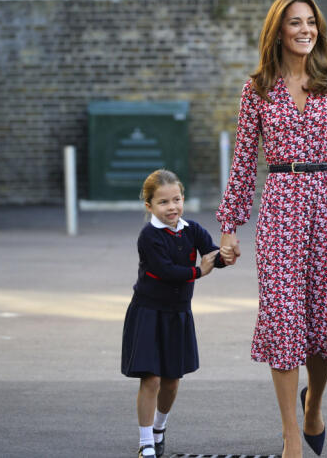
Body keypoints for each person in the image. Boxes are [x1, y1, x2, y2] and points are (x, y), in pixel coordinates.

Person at [215, 0, 327, 458]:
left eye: (311, 23)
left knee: (324, 325)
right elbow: (244, 163)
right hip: (280, 206)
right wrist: (230, 224)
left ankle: (314, 405)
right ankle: (290, 441)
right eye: (295, 23)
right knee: (285, 323)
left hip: (324, 206)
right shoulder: (258, 88)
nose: (305, 30)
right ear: (278, 32)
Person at [121, 169, 226, 458]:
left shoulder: (192, 229)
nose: (172, 207)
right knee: (151, 378)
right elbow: (165, 271)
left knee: (171, 380)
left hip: (178, 314)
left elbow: (212, 252)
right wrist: (199, 271)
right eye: (164, 202)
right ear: (149, 206)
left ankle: (159, 428)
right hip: (148, 312)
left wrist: (225, 255)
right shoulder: (149, 236)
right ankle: (146, 443)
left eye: (177, 199)